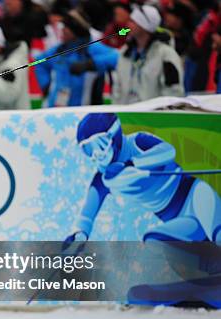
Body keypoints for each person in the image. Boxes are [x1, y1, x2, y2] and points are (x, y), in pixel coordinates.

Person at [66, 112, 220, 244]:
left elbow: (167, 151)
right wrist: (79, 236)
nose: (96, 155)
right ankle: (208, 268)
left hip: (196, 195)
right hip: (174, 217)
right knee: (153, 240)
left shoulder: (137, 141)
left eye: (99, 145)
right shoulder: (104, 179)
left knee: (218, 234)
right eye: (88, 150)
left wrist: (134, 163)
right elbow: (87, 214)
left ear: (113, 134)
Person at [35, 10, 117, 107]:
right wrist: (46, 85)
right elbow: (40, 62)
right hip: (53, 111)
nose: (62, 30)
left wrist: (90, 64)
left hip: (82, 113)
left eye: (66, 27)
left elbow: (117, 57)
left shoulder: (91, 48)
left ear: (76, 30)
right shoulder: (60, 49)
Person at [113, 5, 184, 105]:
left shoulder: (166, 55)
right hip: (127, 116)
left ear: (144, 26)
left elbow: (173, 91)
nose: (128, 25)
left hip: (152, 117)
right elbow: (117, 88)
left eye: (133, 22)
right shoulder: (125, 53)